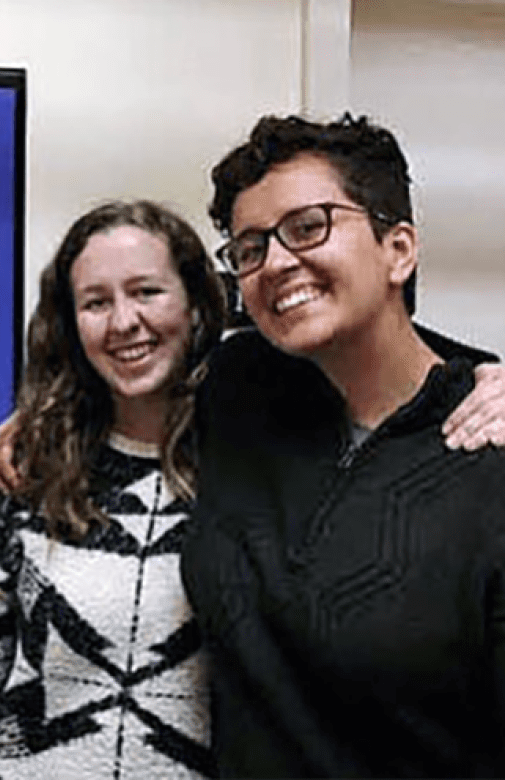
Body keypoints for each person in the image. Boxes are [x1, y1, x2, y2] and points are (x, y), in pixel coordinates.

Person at [178, 113, 505, 777]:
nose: (274, 263)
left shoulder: (486, 451)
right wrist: (34, 424)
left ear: (399, 250)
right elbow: (110, 386)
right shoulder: (236, 388)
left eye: (308, 227)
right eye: (250, 247)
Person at [0, 200, 226, 779]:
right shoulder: (23, 470)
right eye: (96, 302)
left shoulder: (256, 464)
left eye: (147, 292)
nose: (123, 322)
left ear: (195, 306)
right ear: (71, 323)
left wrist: (463, 379)